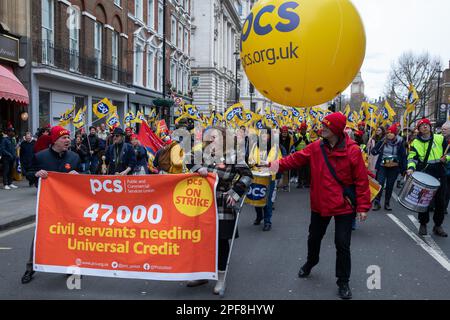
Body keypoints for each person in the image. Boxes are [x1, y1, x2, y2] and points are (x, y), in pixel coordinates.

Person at [271, 112, 371, 300]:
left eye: (326, 126)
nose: (322, 129)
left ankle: (343, 281)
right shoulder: (316, 147)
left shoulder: (353, 150)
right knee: (314, 238)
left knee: (342, 244)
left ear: (336, 130)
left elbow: (361, 180)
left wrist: (363, 207)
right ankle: (311, 261)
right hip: (321, 204)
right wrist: (271, 165)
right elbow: (294, 159)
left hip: (344, 205)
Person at [187, 127, 253, 294]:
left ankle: (221, 279)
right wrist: (197, 169)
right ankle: (202, 274)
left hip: (222, 202)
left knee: (221, 241)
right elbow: (187, 161)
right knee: (201, 240)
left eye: (214, 137)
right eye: (209, 137)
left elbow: (247, 175)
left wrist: (236, 192)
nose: (211, 139)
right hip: (201, 203)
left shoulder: (234, 155)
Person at [21, 126, 82, 284]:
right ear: (55, 141)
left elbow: (83, 180)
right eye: (64, 138)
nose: (68, 140)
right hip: (48, 205)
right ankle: (30, 268)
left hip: (68, 205)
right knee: (40, 236)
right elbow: (28, 173)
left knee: (69, 236)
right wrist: (36, 174)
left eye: (68, 137)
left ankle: (71, 268)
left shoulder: (74, 157)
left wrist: (78, 176)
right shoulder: (40, 157)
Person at [407, 118, 448, 237]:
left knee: (441, 201)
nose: (425, 127)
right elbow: (412, 157)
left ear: (430, 127)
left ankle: (438, 225)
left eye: (427, 125)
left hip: (439, 171)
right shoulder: (415, 142)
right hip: (424, 173)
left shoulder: (439, 138)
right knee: (424, 201)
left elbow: (449, 153)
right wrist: (411, 168)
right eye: (422, 125)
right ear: (419, 129)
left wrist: (447, 158)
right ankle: (423, 224)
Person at [248, 127, 281, 231]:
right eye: (262, 134)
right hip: (257, 176)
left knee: (268, 200)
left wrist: (268, 165)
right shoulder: (255, 146)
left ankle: (267, 221)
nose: (264, 136)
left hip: (269, 177)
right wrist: (254, 164)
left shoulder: (275, 147)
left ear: (270, 136)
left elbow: (279, 161)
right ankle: (259, 216)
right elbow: (250, 159)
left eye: (266, 134)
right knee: (256, 198)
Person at [371, 124, 407, 211]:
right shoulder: (383, 141)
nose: (389, 135)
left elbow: (403, 156)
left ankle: (387, 203)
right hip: (382, 166)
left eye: (391, 133)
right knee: (380, 183)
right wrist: (376, 150)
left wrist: (404, 169)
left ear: (395, 134)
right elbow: (374, 151)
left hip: (394, 167)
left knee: (390, 185)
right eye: (388, 133)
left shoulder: (400, 143)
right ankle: (377, 202)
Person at [293, 123, 310, 188]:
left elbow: (310, 145)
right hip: (299, 153)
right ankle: (300, 183)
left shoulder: (308, 135)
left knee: (307, 169)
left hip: (306, 153)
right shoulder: (296, 135)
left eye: (304, 129)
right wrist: (299, 140)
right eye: (302, 129)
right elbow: (294, 145)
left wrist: (306, 140)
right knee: (300, 169)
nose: (303, 130)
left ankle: (307, 183)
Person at [442, 121, 450, 214]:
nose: (443, 130)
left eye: (445, 129)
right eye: (442, 129)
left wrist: (446, 157)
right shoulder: (439, 138)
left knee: (447, 190)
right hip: (441, 167)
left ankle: (444, 206)